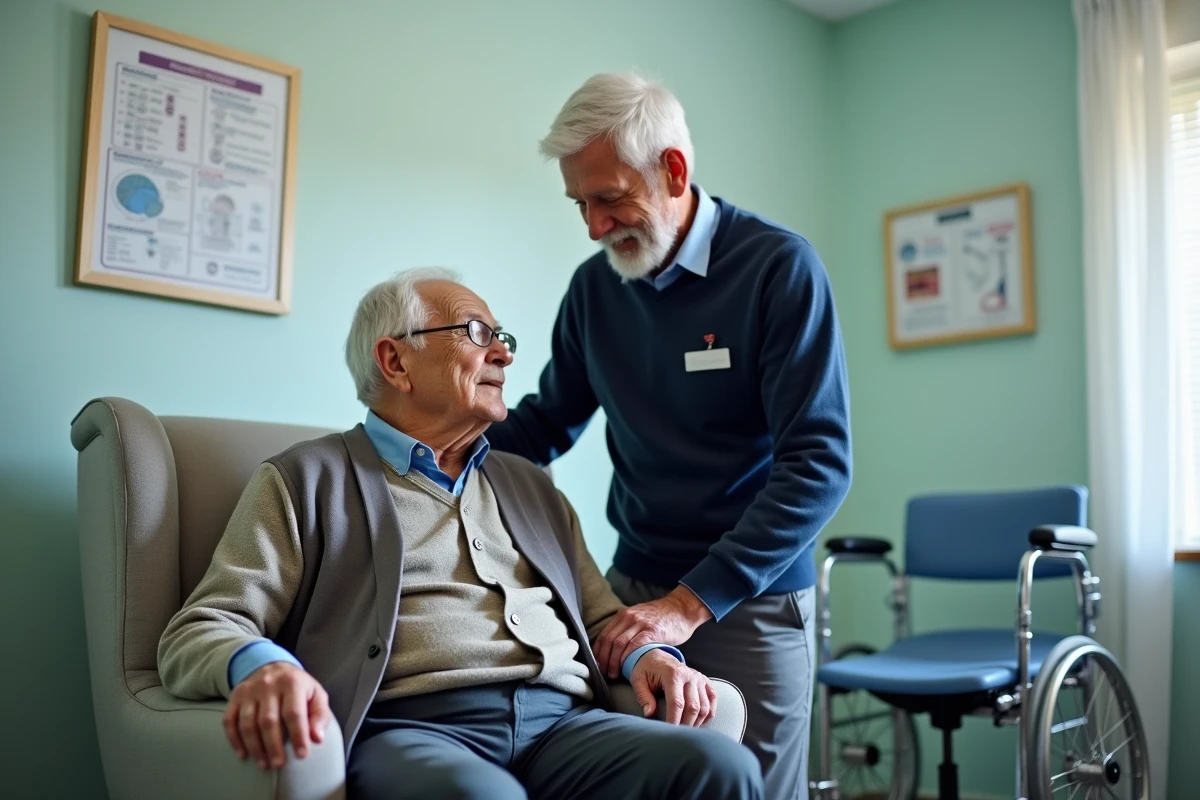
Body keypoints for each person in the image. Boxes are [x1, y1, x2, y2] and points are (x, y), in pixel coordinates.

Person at [157, 269, 763, 800]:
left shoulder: (529, 484)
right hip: (415, 730)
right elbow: (204, 624)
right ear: (395, 361)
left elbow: (601, 618)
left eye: (503, 337)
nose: (503, 354)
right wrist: (263, 667)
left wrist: (646, 655)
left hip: (564, 726)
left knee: (721, 766)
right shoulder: (306, 479)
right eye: (477, 333)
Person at [486, 72, 852, 800]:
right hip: (635, 587)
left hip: (750, 599)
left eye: (608, 198)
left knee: (750, 788)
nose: (594, 227)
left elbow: (819, 465)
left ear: (674, 172)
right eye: (580, 204)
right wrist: (423, 449)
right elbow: (546, 422)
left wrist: (689, 604)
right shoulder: (595, 290)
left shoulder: (778, 269)